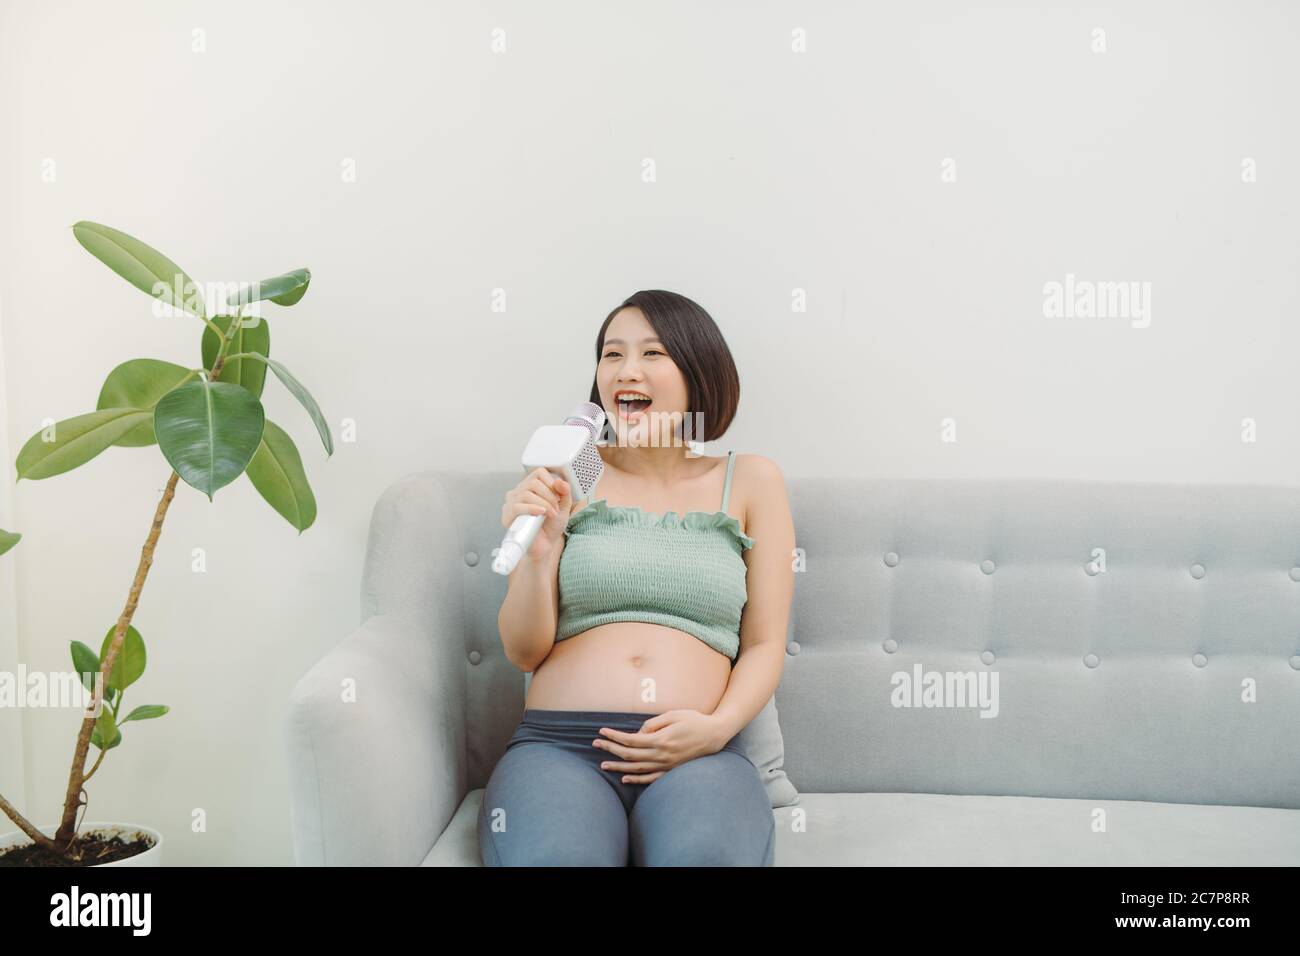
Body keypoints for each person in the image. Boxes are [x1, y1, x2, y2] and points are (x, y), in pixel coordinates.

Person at [478, 289, 796, 866]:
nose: (626, 371)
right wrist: (538, 554)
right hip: (559, 748)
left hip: (699, 753)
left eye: (653, 354)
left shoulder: (751, 480)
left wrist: (716, 728)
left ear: (698, 371)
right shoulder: (571, 473)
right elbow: (524, 652)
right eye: (611, 354)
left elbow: (766, 644)